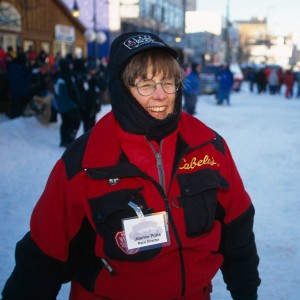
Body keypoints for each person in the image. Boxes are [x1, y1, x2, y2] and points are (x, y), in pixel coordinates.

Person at [1, 32, 261, 300]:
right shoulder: (86, 161)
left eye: (167, 82)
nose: (160, 95)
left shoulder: (208, 145)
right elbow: (42, 258)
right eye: (145, 84)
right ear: (122, 89)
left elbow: (238, 228)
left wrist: (246, 291)